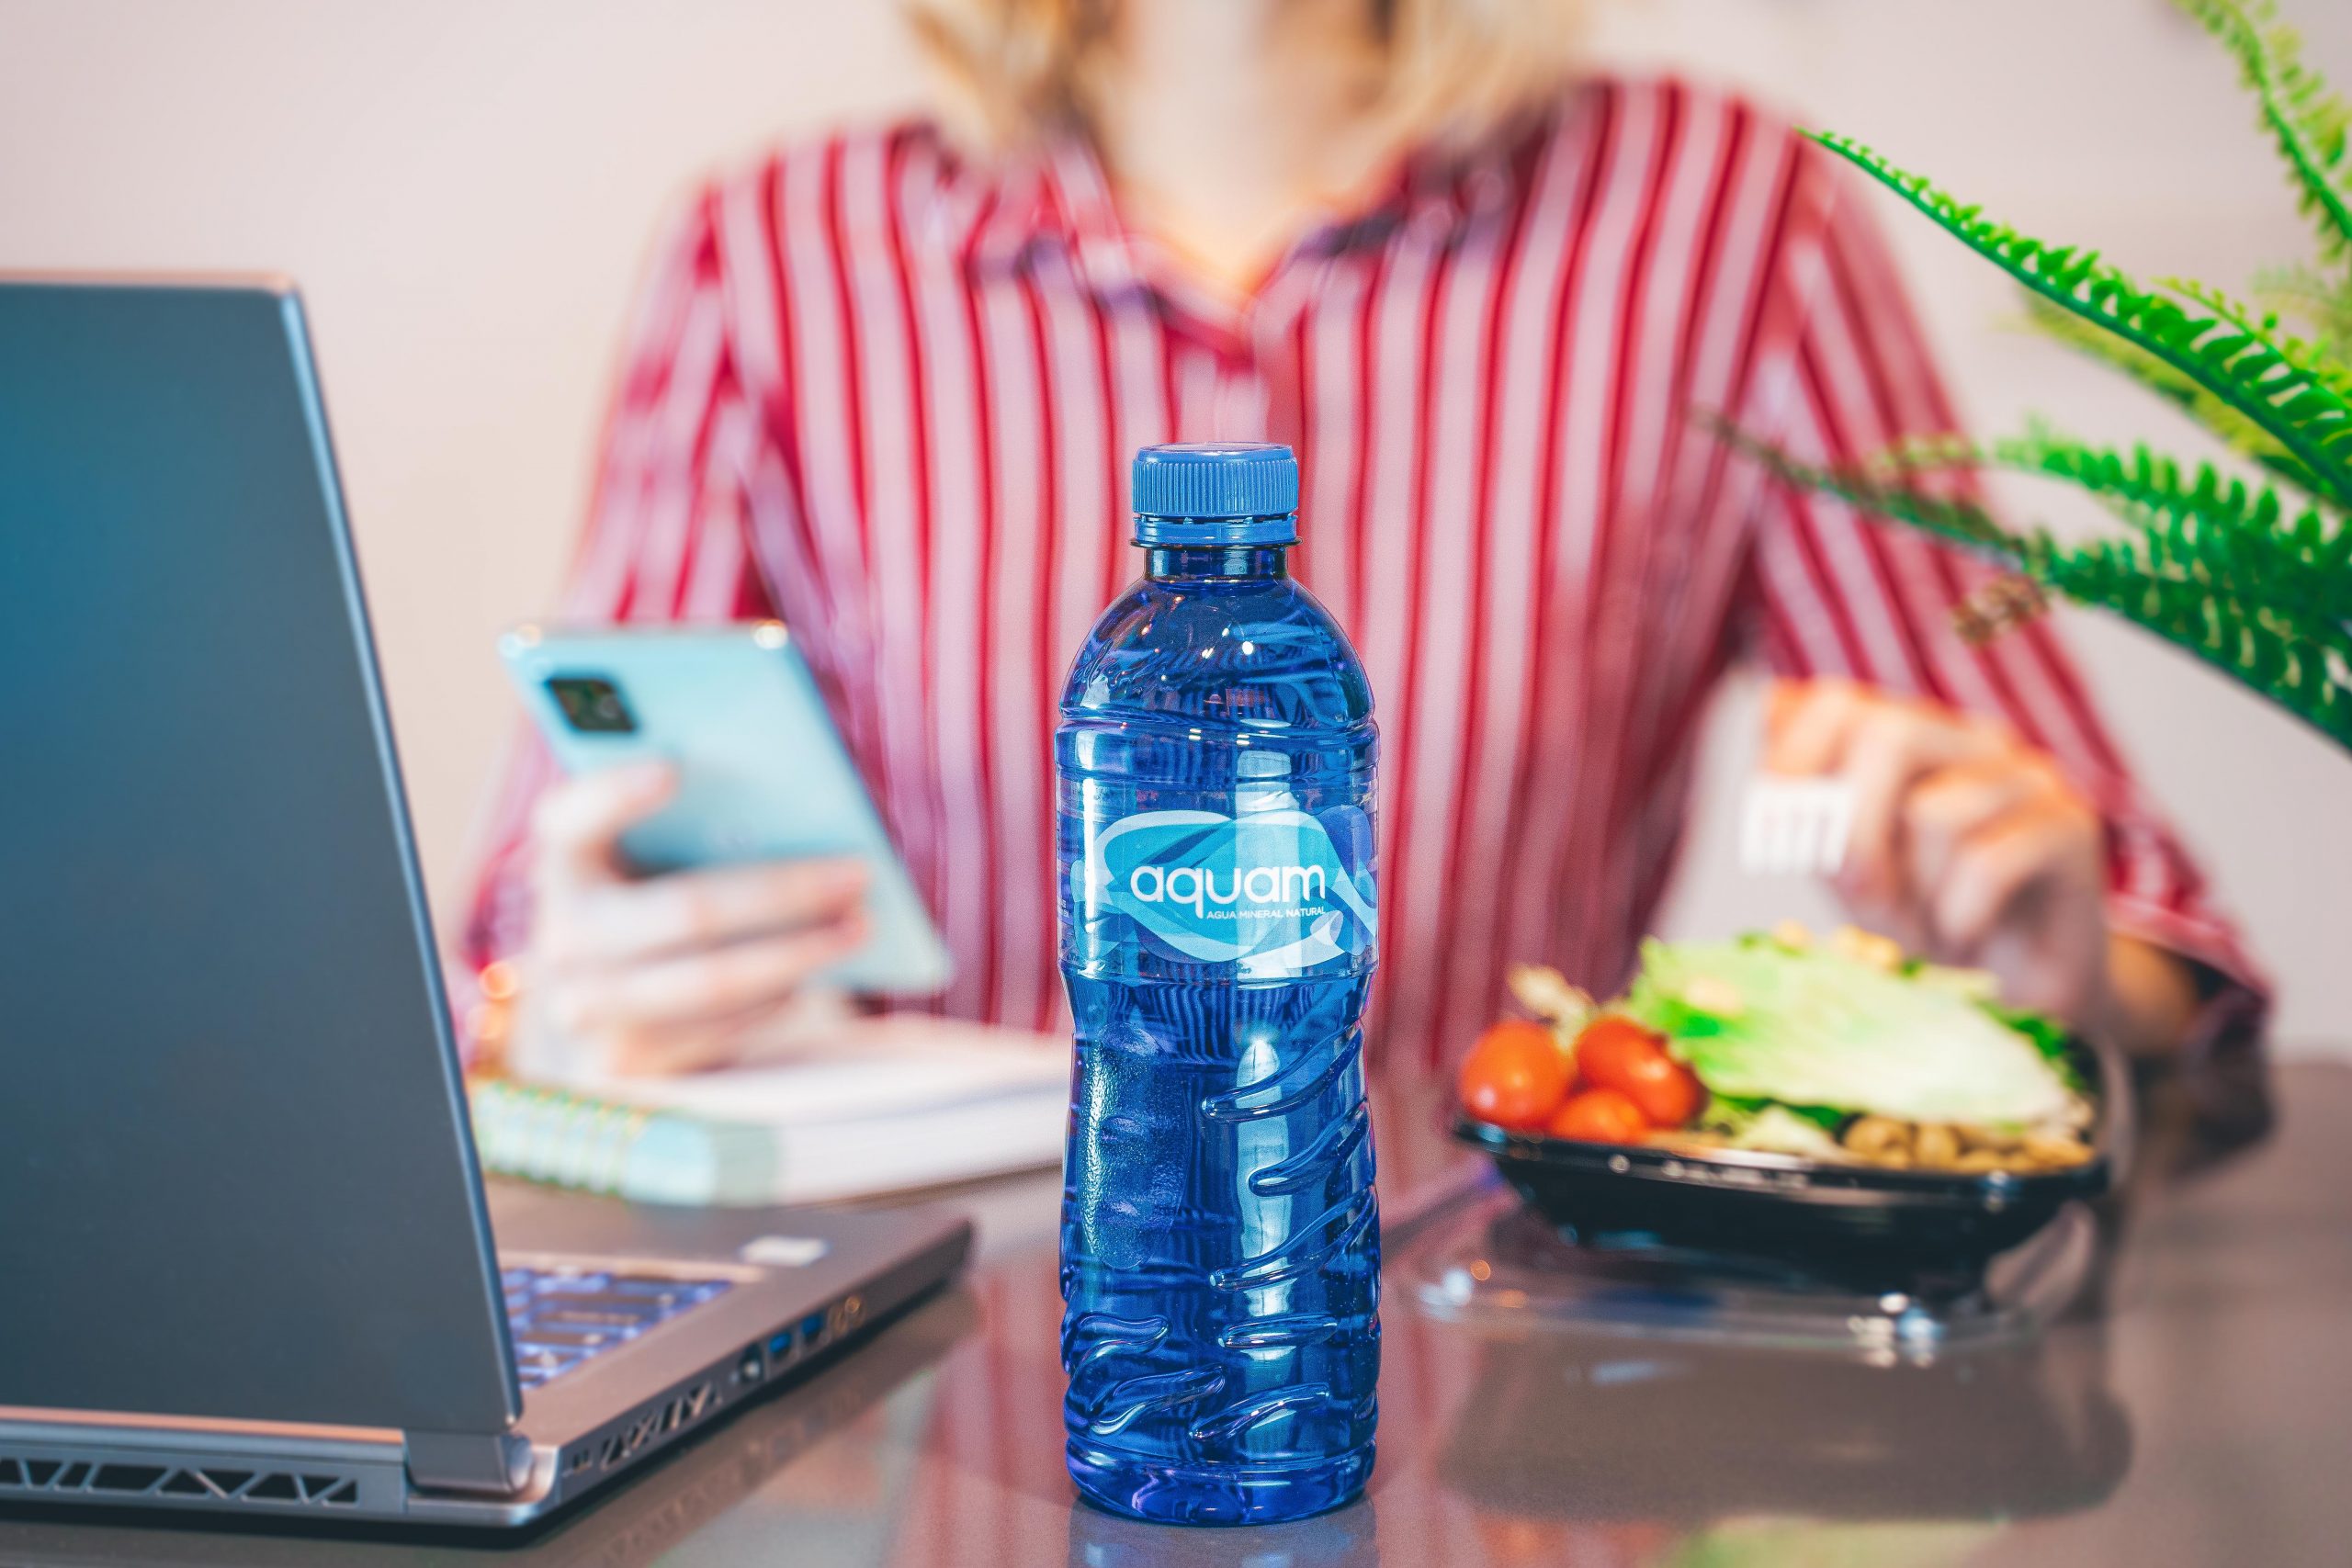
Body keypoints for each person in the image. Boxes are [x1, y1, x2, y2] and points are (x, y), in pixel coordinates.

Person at [461, 0, 2265, 1081]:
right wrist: (564, 1000)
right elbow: (510, 959)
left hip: (1495, 1358)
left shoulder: (1728, 221)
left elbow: (2135, 936)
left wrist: (2043, 964)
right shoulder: (773, 257)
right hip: (932, 1362)